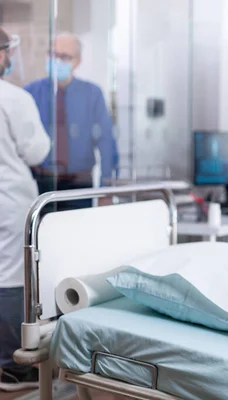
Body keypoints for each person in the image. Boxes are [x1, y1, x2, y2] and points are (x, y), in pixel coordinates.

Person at [0, 26, 51, 392]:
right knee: (11, 277)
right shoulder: (13, 98)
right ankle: (11, 367)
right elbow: (36, 152)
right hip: (9, 200)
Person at [25, 32, 117, 209]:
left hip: (79, 186)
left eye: (65, 56)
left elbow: (106, 142)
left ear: (77, 61)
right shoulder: (31, 93)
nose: (57, 60)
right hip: (41, 185)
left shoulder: (92, 94)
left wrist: (107, 191)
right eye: (53, 54)